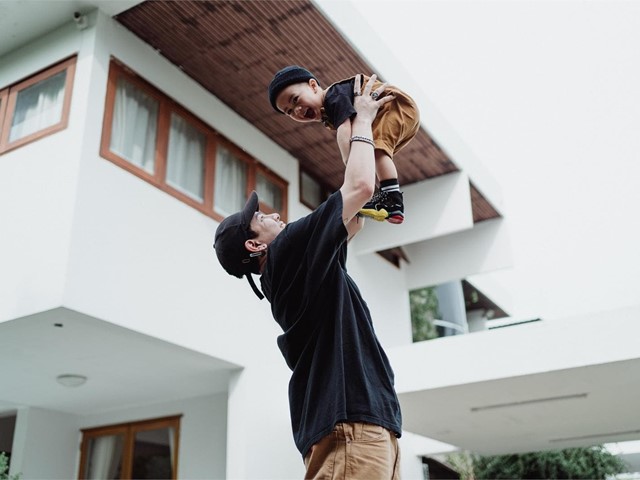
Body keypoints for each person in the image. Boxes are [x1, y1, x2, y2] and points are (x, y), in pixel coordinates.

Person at [214, 74, 402, 479]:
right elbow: (362, 186)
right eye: (262, 218)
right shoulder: (287, 252)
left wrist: (344, 127)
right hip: (350, 426)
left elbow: (354, 221)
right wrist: (364, 119)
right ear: (254, 246)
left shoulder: (293, 269)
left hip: (367, 424)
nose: (276, 215)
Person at [268, 65, 421, 225]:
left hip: (394, 106)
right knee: (372, 154)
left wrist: (350, 162)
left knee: (376, 151)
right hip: (398, 113)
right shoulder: (329, 111)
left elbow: (344, 130)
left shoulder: (334, 96)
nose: (297, 110)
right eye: (290, 111)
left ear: (313, 86)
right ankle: (385, 196)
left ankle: (393, 199)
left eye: (295, 100)